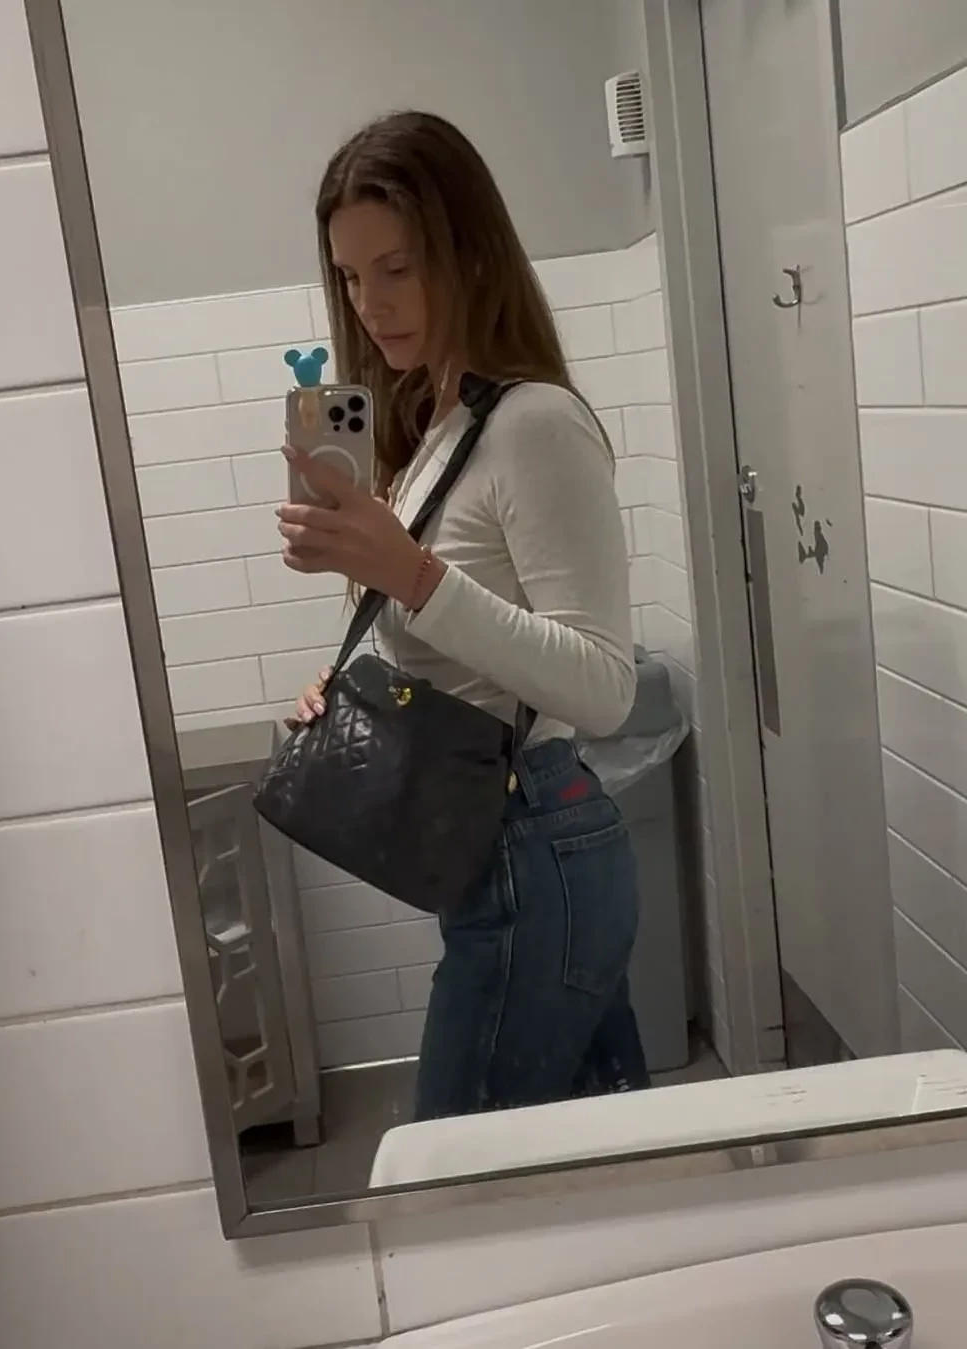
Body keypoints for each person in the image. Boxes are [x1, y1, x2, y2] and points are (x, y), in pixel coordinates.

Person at [276, 110, 650, 1122]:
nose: (372, 303)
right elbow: (454, 654)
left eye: (398, 267)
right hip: (502, 847)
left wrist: (410, 575)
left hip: (536, 839)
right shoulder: (438, 425)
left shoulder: (534, 424)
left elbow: (605, 687)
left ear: (469, 251)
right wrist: (348, 684)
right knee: (597, 1158)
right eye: (352, 276)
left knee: (456, 1174)